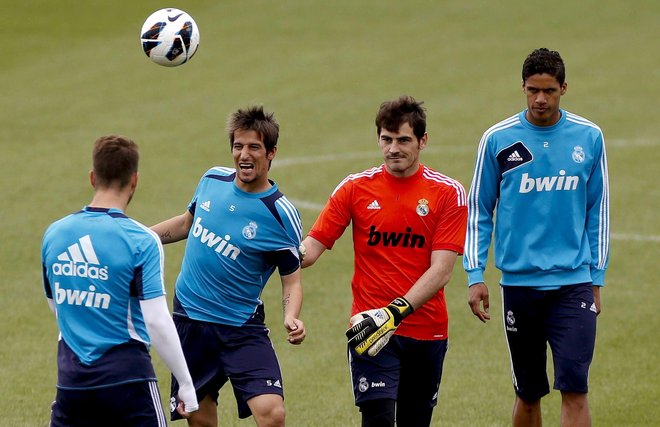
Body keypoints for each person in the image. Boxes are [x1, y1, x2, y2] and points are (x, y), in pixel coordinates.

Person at [463, 48, 610, 426]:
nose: (540, 99)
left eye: (549, 90)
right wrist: (475, 274)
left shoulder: (589, 137)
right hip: (519, 286)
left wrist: (596, 278)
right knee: (528, 394)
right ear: (523, 88)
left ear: (564, 88)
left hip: (573, 284)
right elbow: (479, 210)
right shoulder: (497, 139)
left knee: (575, 388)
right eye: (533, 90)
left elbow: (598, 211)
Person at [301, 95, 468, 426]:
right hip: (370, 329)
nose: (393, 149)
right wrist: (268, 251)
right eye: (386, 139)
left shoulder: (448, 193)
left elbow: (441, 271)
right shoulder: (355, 188)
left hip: (426, 332)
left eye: (403, 140)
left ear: (422, 141)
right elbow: (310, 249)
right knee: (376, 420)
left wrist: (393, 313)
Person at [151, 105, 306, 427]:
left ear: (271, 152)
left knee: (272, 413)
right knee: (199, 418)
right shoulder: (212, 179)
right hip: (190, 320)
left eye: (254, 147)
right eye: (238, 146)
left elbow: (291, 279)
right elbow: (185, 224)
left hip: (241, 328)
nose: (244, 155)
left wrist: (290, 316)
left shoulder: (280, 214)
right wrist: (141, 239)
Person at [41, 135, 198, 427]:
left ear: (92, 177)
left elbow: (57, 305)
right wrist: (186, 383)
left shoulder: (55, 234)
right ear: (134, 180)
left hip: (72, 383)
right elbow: (156, 320)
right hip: (128, 382)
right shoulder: (141, 240)